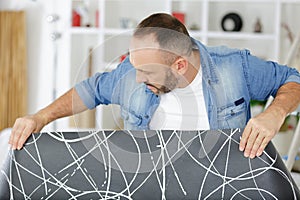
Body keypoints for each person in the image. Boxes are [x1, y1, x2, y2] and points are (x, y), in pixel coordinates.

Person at [9, 13, 300, 160]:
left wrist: (274, 114)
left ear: (180, 66)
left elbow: (292, 80)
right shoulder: (131, 72)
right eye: (136, 67)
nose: (137, 78)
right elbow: (91, 90)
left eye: (147, 71)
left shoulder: (234, 66)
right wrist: (40, 117)